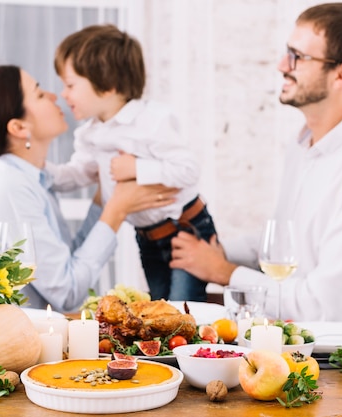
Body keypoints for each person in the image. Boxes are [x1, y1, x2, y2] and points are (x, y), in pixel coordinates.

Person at [170, 3, 342, 336]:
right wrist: (213, 249)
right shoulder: (303, 144)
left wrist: (224, 271)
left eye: (297, 56)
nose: (281, 65)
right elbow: (284, 246)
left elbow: (325, 306)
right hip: (308, 347)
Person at [0, 65, 177, 312]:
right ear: (19, 128)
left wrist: (103, 201)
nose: (55, 96)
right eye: (40, 94)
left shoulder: (33, 180)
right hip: (7, 346)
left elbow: (65, 268)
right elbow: (66, 293)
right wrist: (115, 211)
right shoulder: (9, 188)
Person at [47, 24, 217, 302]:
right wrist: (36, 170)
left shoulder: (152, 120)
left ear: (108, 85)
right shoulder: (91, 133)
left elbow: (188, 170)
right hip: (148, 237)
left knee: (184, 312)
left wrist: (137, 168)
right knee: (160, 309)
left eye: (70, 85)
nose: (64, 94)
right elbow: (78, 174)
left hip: (186, 227)